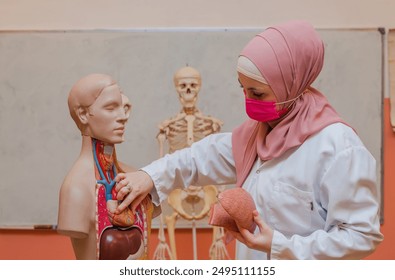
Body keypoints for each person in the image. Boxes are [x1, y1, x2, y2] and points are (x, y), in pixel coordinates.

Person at [114, 20, 383, 260]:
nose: (249, 102)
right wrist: (149, 175)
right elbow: (198, 158)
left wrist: (281, 246)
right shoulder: (257, 135)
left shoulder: (338, 148)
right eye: (242, 89)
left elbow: (360, 236)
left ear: (291, 84)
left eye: (257, 93)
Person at [57, 73, 158, 260]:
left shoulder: (135, 176)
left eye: (124, 107)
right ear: (83, 114)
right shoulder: (76, 188)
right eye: (111, 108)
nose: (122, 117)